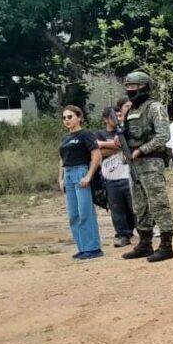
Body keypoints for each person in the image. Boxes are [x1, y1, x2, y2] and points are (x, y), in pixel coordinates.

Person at [118, 71, 173, 262]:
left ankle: (166, 245)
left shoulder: (155, 107)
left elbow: (162, 137)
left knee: (158, 202)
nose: (130, 91)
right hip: (135, 163)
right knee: (140, 204)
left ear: (144, 87)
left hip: (151, 161)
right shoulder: (131, 110)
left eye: (134, 87)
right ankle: (145, 243)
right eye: (128, 88)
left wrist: (141, 150)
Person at [59, 105, 103, 260]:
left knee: (85, 211)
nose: (66, 120)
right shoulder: (65, 137)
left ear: (79, 117)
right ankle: (82, 247)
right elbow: (62, 159)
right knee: (73, 214)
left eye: (70, 117)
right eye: (64, 117)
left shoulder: (86, 134)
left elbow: (96, 155)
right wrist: (61, 177)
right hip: (68, 174)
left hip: (81, 172)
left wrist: (89, 175)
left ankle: (93, 247)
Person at [96, 105, 136, 248]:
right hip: (111, 177)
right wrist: (116, 145)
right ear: (106, 119)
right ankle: (122, 234)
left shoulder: (125, 130)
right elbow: (99, 151)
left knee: (133, 207)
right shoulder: (100, 133)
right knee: (116, 209)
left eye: (120, 116)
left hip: (128, 174)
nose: (118, 119)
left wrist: (108, 146)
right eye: (114, 116)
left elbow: (128, 146)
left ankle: (136, 230)